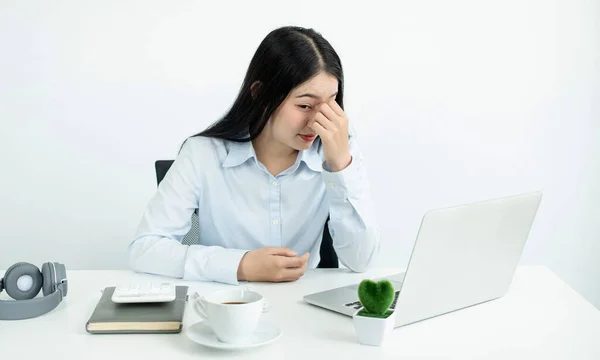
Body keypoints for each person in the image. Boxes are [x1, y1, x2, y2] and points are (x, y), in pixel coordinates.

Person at [128, 26, 380, 285]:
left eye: (330, 104)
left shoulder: (336, 152)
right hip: (224, 307)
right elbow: (145, 249)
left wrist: (340, 166)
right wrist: (241, 265)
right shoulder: (202, 154)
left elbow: (361, 260)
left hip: (303, 307)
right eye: (305, 105)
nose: (318, 121)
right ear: (259, 93)